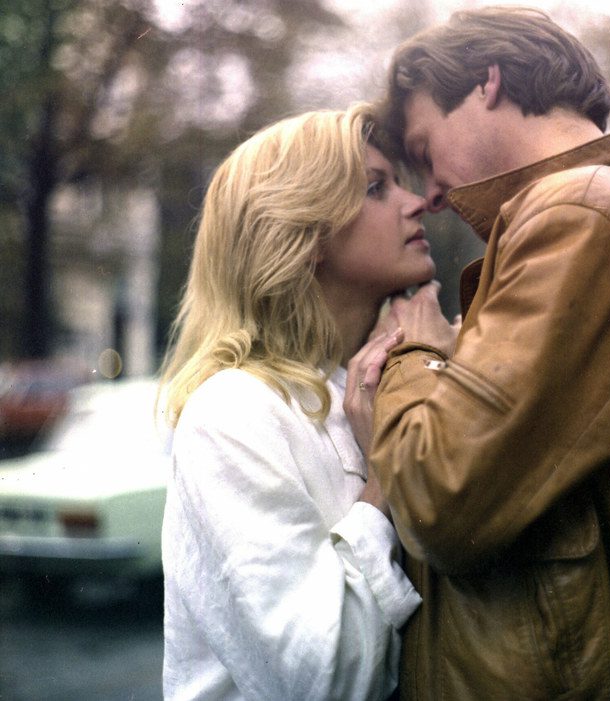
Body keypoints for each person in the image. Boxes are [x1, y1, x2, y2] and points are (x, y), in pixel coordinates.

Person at [347, 6, 610, 700]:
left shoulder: (581, 216)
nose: (432, 193)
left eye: (425, 148)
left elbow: (442, 498)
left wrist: (416, 353)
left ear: (488, 82)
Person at [158, 104, 435, 700]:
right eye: (376, 188)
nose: (416, 203)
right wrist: (384, 475)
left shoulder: (360, 385)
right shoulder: (232, 410)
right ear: (305, 234)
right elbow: (326, 679)